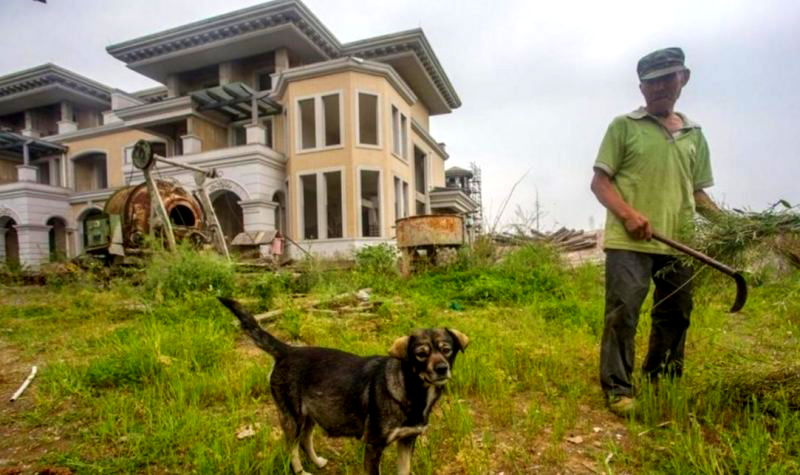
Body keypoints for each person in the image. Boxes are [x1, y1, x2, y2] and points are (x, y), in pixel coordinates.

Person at [590, 47, 720, 416]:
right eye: (652, 82)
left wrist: (732, 228)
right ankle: (618, 388)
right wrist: (628, 214)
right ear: (641, 88)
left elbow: (697, 193)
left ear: (684, 79)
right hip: (629, 242)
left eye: (668, 78)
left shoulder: (695, 135)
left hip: (679, 243)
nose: (661, 87)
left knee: (676, 313)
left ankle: (661, 378)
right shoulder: (624, 126)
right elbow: (600, 183)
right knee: (623, 311)